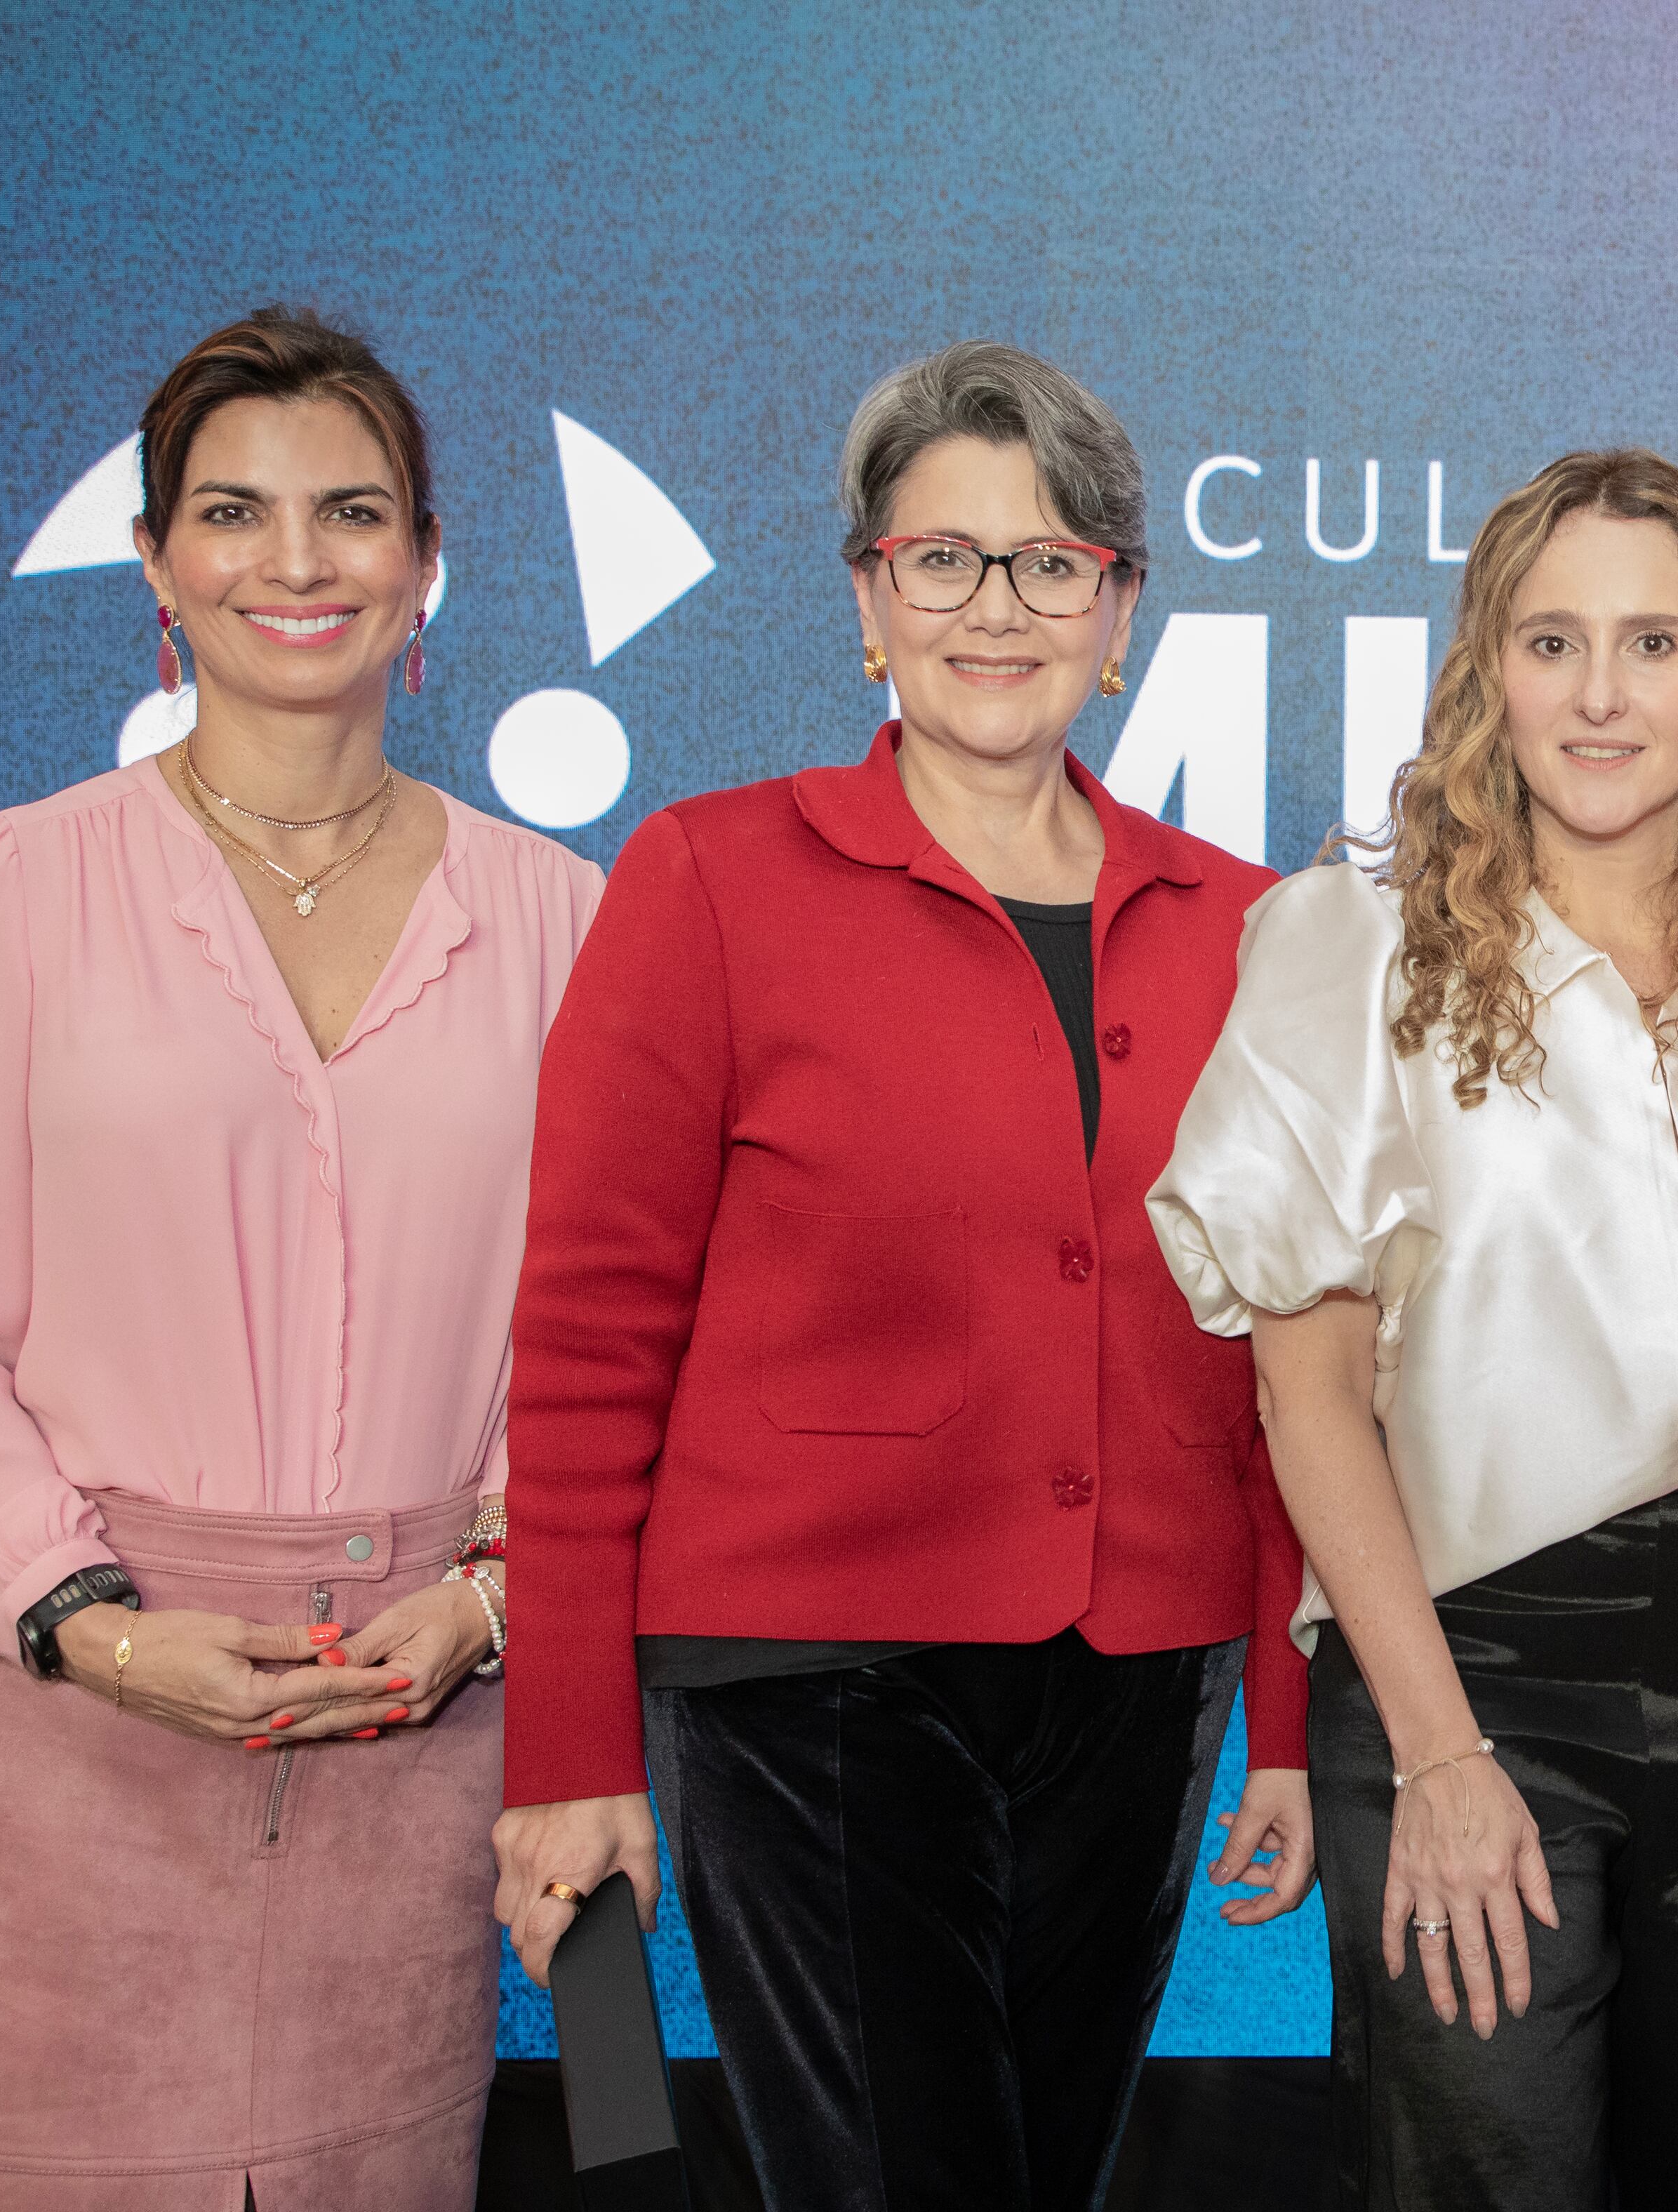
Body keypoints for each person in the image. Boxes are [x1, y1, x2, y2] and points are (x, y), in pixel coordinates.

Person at [492, 341, 1312, 2212]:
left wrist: (1280, 1710)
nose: (995, 608)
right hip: (811, 1690)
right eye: (942, 560)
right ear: (870, 598)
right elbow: (584, 1352)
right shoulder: (708, 881)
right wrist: (565, 1758)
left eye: (1051, 564)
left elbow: (1289, 1361)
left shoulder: (1253, 929)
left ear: (1122, 611)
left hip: (1139, 1677)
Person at [0, 306, 592, 2209]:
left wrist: (494, 1600)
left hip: (407, 1720)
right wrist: (92, 1624)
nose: (295, 560)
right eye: (233, 512)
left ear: (425, 565)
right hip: (64, 1728)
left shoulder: (567, 922)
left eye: (351, 511)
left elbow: (592, 1343)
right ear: (160, 565)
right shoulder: (4, 886)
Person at [1147, 449, 1678, 2211]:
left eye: (1650, 640)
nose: (1601, 694)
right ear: (1487, 672)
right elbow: (1305, 1403)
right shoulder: (1355, 945)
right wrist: (1439, 1755)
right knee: (1488, 2177)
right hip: (1472, 1674)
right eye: (1552, 642)